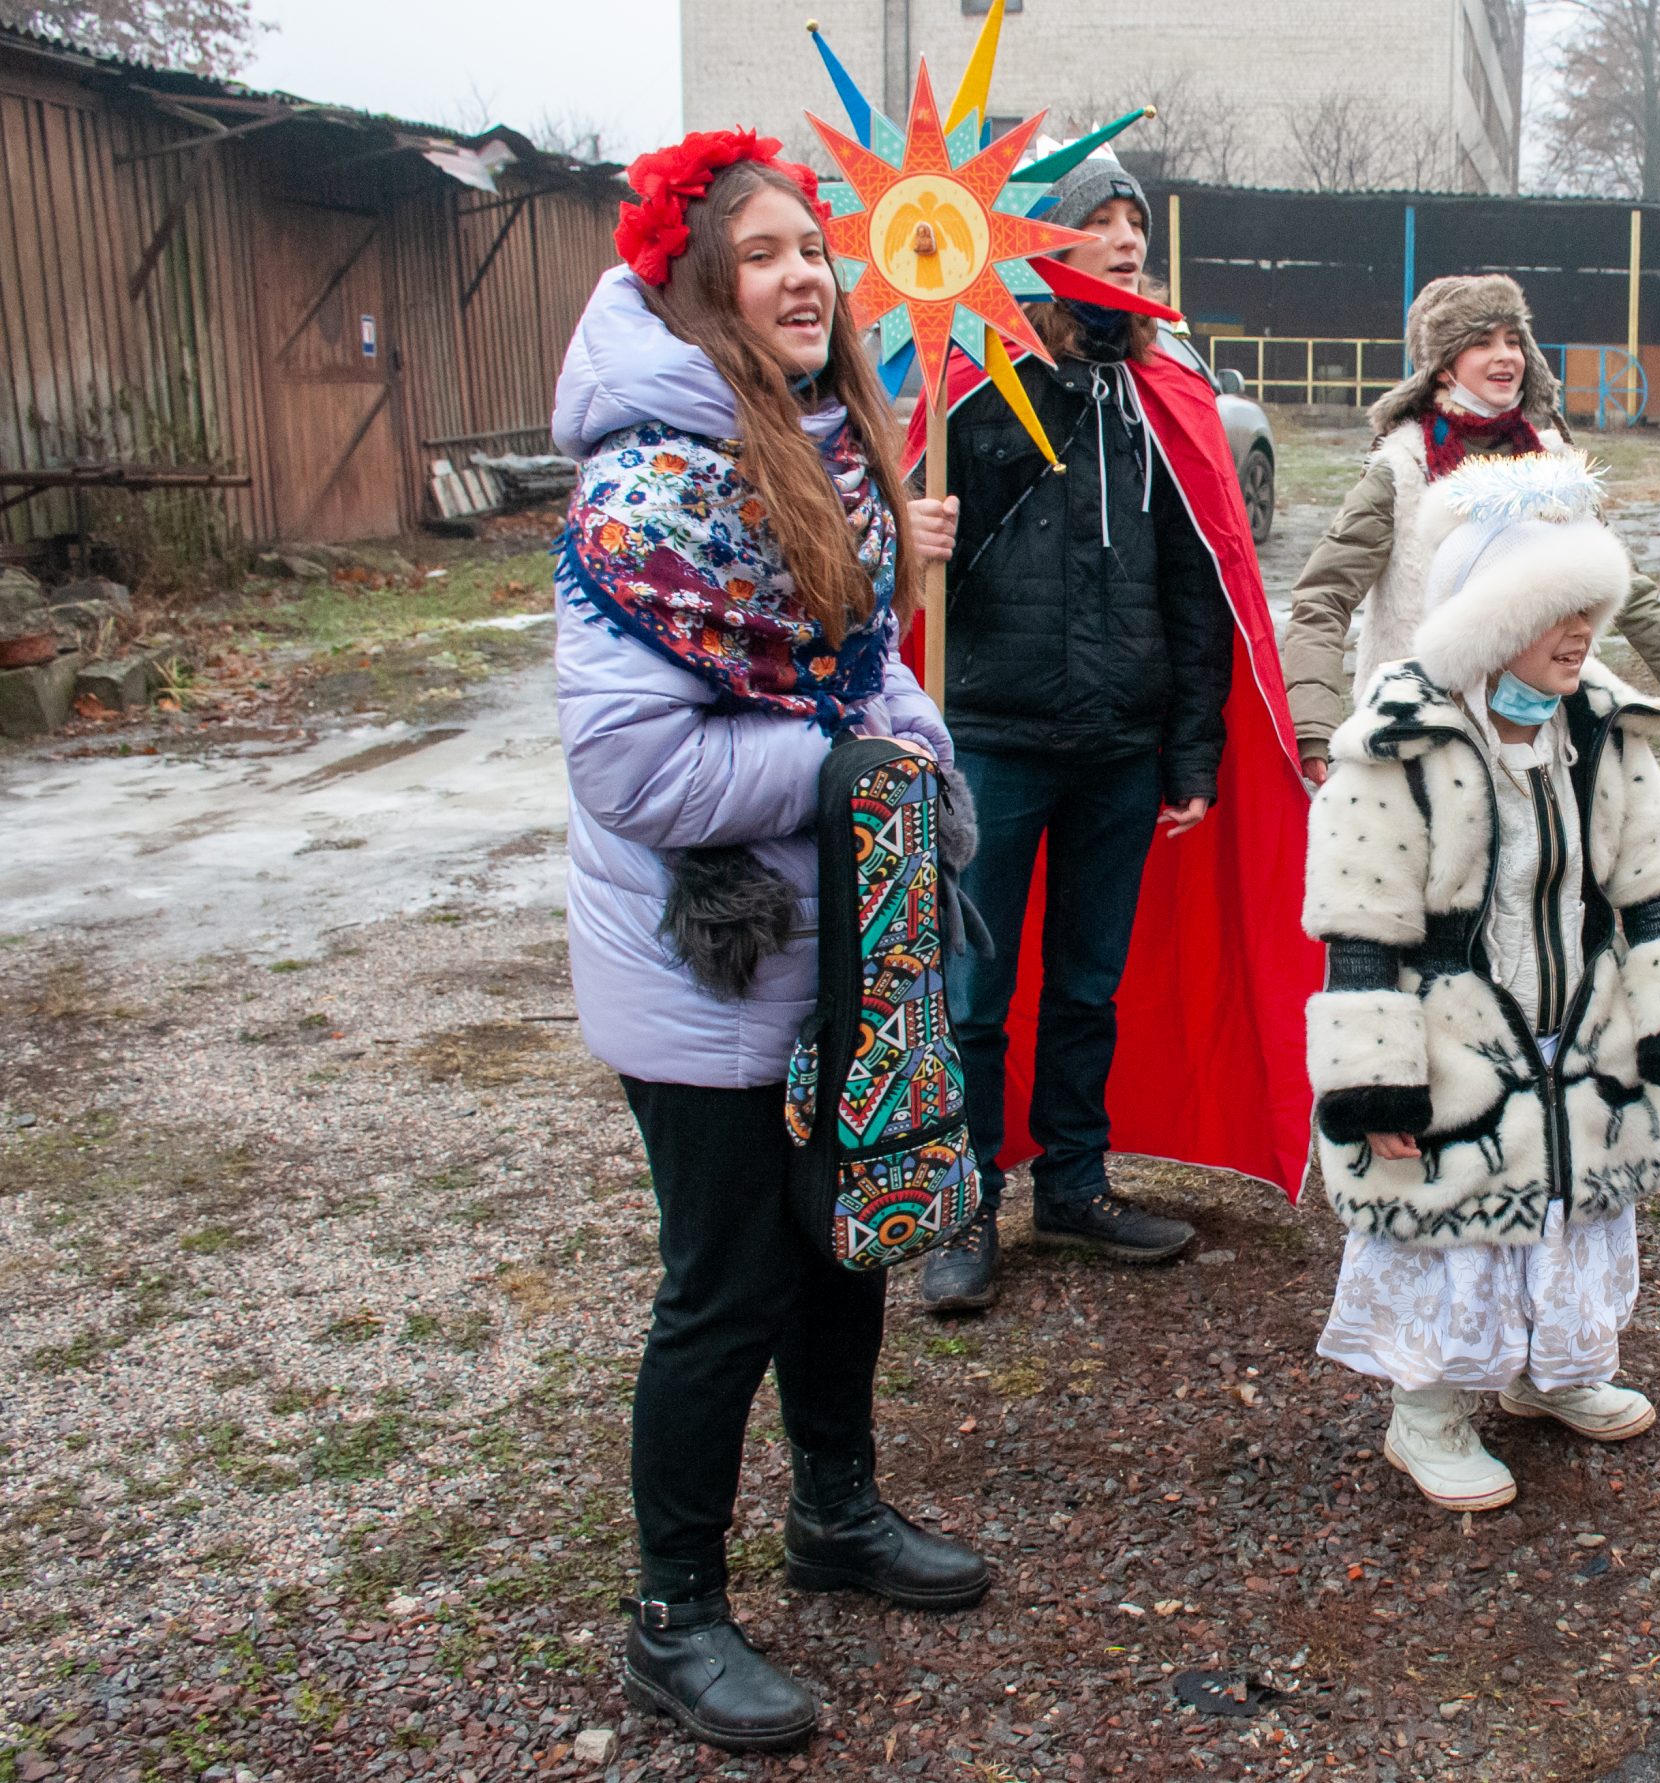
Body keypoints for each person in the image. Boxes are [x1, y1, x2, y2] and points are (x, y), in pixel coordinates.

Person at [551, 129, 987, 1754]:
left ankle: (837, 1511)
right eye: (765, 253)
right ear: (699, 285)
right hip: (705, 952)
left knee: (839, 1232)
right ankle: (674, 1612)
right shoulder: (649, 488)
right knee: (723, 1282)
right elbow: (633, 763)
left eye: (817, 247)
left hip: (835, 929)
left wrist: (917, 750)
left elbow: (864, 663)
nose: (806, 272)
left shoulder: (828, 448)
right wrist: (849, 768)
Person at [1300, 450, 1660, 1512]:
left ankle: (1553, 1372)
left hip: (1579, 1031)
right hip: (1454, 1031)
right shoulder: (1397, 744)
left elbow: (1650, 876)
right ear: (1492, 622)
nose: (1582, 633)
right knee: (1451, 1219)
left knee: (1571, 1206)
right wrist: (1377, 1086)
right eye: (1556, 613)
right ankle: (1431, 1411)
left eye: (1591, 607)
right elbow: (1361, 920)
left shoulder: (1600, 726)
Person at [917, 147, 1234, 1312]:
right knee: (971, 993)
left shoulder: (1167, 393)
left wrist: (1188, 747)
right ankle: (962, 1208)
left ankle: (1074, 1183)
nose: (1126, 237)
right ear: (1046, 247)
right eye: (1098, 222)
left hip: (1119, 741)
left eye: (1136, 223)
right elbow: (940, 531)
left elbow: (1203, 579)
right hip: (994, 734)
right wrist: (1031, 374)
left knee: (1089, 982)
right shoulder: (976, 383)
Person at [1283, 273, 1660, 781]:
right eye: (1481, 342)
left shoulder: (1553, 464)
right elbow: (1323, 596)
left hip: (1536, 728)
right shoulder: (1402, 469)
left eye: (1513, 339)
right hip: (1425, 730)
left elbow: (1627, 588)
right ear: (1441, 369)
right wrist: (1313, 726)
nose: (1506, 355)